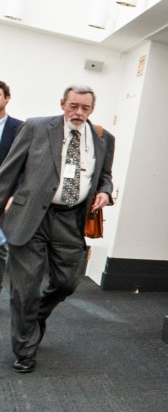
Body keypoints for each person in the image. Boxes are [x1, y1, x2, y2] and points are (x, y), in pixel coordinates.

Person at [0, 85, 115, 374]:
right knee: (24, 289)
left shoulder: (103, 138)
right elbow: (8, 171)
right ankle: (25, 350)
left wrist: (105, 191)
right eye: (73, 106)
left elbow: (105, 175)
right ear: (62, 103)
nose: (78, 113)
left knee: (67, 282)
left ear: (92, 109)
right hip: (30, 216)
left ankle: (33, 317)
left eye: (85, 108)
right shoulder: (36, 127)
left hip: (70, 219)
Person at [0, 80, 25, 295]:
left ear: (7, 98)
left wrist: (14, 196)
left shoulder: (20, 128)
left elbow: (26, 167)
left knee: (0, 249)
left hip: (4, 200)